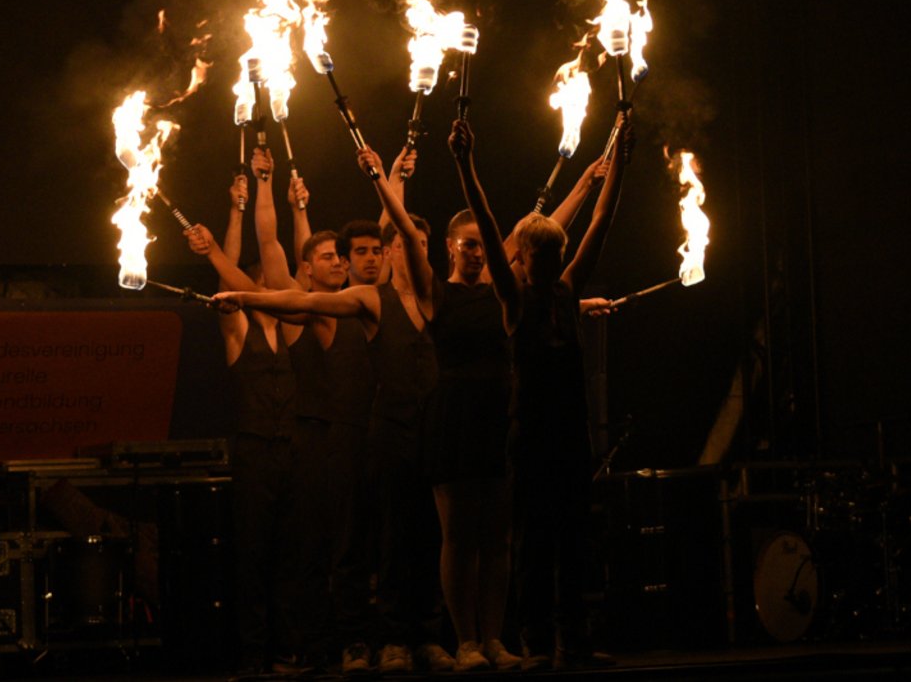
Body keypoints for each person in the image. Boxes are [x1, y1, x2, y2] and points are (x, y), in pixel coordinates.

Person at [216, 145, 455, 674]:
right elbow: (279, 256)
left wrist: (392, 176)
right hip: (336, 443)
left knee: (404, 540)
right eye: (348, 254)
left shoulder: (391, 301)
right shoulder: (341, 307)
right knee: (341, 546)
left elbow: (398, 240)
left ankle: (412, 636)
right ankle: (342, 642)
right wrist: (245, 289)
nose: (359, 259)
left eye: (367, 253)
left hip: (392, 438)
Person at [448, 112, 630, 671]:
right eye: (540, 257)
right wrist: (464, 162)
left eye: (556, 256)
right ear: (521, 260)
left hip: (570, 438)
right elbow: (483, 213)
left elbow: (602, 218)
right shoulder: (513, 298)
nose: (550, 265)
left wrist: (624, 152)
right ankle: (534, 641)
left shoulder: (568, 287)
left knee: (575, 542)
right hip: (527, 440)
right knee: (535, 546)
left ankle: (573, 639)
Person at [182, 170, 312, 678]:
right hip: (255, 452)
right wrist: (234, 214)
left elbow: (301, 268)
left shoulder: (294, 331)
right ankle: (254, 656)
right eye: (259, 284)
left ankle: (289, 650)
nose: (265, 290)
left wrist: (297, 205)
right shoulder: (237, 329)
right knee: (254, 557)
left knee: (291, 556)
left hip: (293, 451)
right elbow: (226, 275)